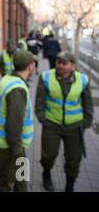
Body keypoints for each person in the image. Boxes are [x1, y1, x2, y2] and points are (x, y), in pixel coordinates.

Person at [35, 51, 94, 192]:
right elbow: (39, 102)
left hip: (75, 126)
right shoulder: (46, 77)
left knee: (73, 159)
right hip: (52, 124)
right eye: (58, 62)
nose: (59, 65)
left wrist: (86, 122)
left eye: (64, 63)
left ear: (72, 65)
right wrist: (43, 119)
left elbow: (88, 104)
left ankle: (69, 186)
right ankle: (46, 174)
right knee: (48, 155)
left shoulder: (83, 80)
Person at [0, 50, 36, 192]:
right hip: (11, 146)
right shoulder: (17, 89)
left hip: (9, 143)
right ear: (30, 66)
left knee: (20, 178)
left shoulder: (7, 79)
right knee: (6, 182)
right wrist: (17, 151)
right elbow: (14, 126)